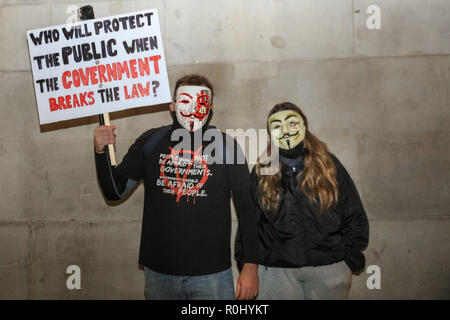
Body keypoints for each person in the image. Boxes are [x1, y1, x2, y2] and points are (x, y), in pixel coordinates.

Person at [94, 74, 259, 300]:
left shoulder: (226, 147)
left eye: (200, 102)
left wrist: (250, 267)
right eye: (184, 100)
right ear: (172, 105)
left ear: (210, 107)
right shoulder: (150, 142)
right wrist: (101, 152)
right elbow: (115, 191)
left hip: (211, 275)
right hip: (160, 273)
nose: (192, 108)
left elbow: (248, 211)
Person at [235, 102, 369, 299]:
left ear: (304, 126)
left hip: (328, 268)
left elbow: (353, 212)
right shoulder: (262, 171)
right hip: (277, 273)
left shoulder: (329, 165)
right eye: (277, 126)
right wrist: (247, 264)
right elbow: (249, 224)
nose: (286, 131)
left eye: (292, 123)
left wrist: (349, 256)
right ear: (270, 133)